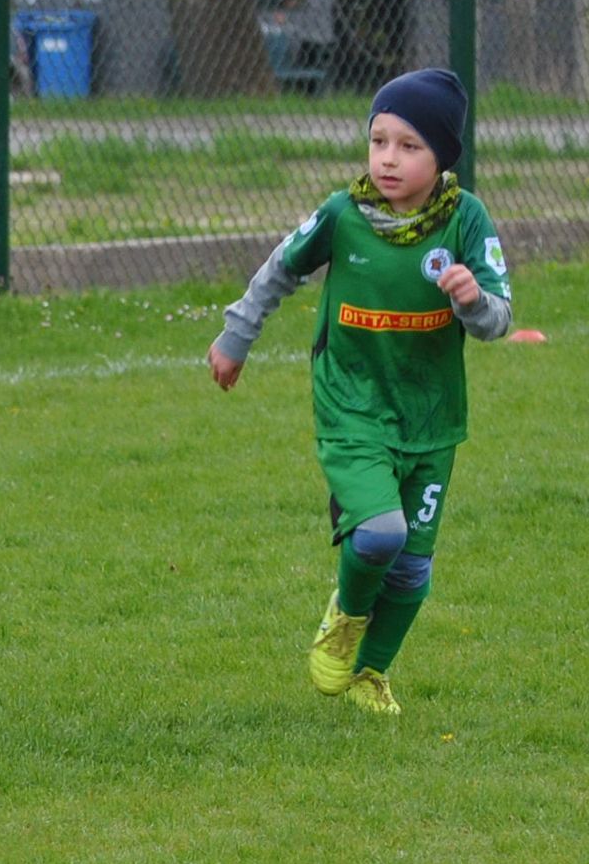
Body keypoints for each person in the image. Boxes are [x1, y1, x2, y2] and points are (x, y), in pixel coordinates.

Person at [209, 68, 513, 715]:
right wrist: (236, 338)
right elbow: (278, 269)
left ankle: (369, 672)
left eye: (409, 145)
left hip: (430, 415)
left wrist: (472, 299)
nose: (388, 158)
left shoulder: (466, 219)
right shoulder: (343, 213)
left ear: (442, 157)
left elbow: (499, 319)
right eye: (379, 140)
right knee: (379, 534)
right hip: (351, 402)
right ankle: (345, 617)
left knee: (413, 571)